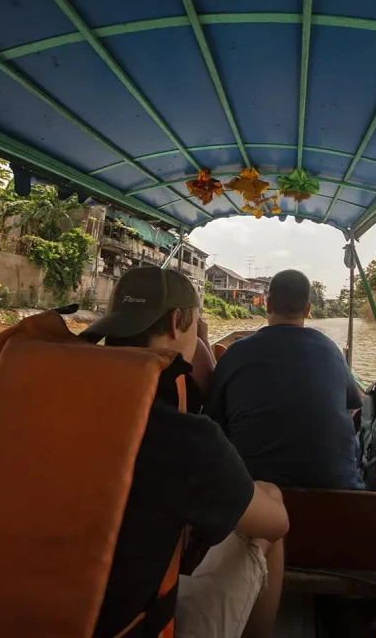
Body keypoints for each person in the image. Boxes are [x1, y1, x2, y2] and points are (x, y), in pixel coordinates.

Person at [84, 266, 289, 638]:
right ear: (178, 320)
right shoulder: (185, 438)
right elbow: (277, 525)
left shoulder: (43, 395)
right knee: (269, 505)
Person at [206, 269, 365, 490]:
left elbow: (213, 419)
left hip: (253, 494)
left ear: (268, 305)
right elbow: (354, 406)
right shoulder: (331, 350)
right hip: (337, 494)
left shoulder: (235, 353)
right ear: (308, 310)